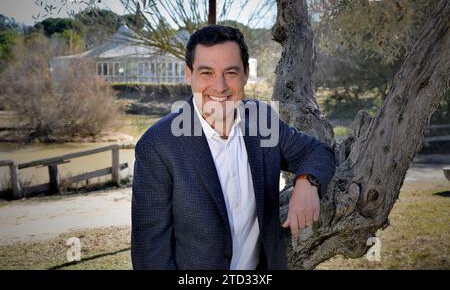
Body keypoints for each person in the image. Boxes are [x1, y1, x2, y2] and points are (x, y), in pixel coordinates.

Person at [131, 25, 336, 270]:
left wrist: (307, 181)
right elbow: (150, 254)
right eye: (206, 73)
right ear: (189, 74)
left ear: (246, 74)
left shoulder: (262, 120)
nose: (220, 87)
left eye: (230, 73)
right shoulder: (157, 145)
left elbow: (317, 152)